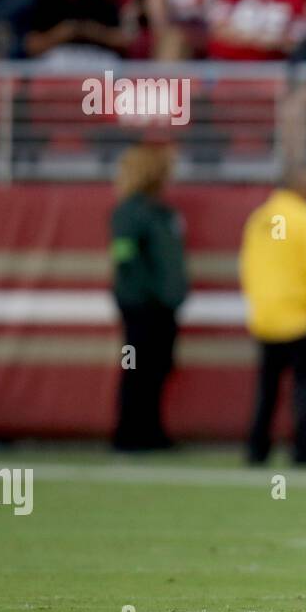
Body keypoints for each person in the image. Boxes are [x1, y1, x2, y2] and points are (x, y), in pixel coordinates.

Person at [239, 165, 306, 465]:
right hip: (302, 317)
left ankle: (257, 449)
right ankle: (305, 450)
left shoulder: (258, 219)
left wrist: (260, 304)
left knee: (267, 389)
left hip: (265, 316)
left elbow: (248, 266)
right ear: (300, 186)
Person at [109, 145, 188, 452]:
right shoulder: (129, 213)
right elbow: (124, 258)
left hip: (163, 307)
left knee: (158, 368)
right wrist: (147, 291)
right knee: (135, 368)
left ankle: (152, 430)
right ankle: (128, 432)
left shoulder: (163, 213)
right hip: (139, 308)